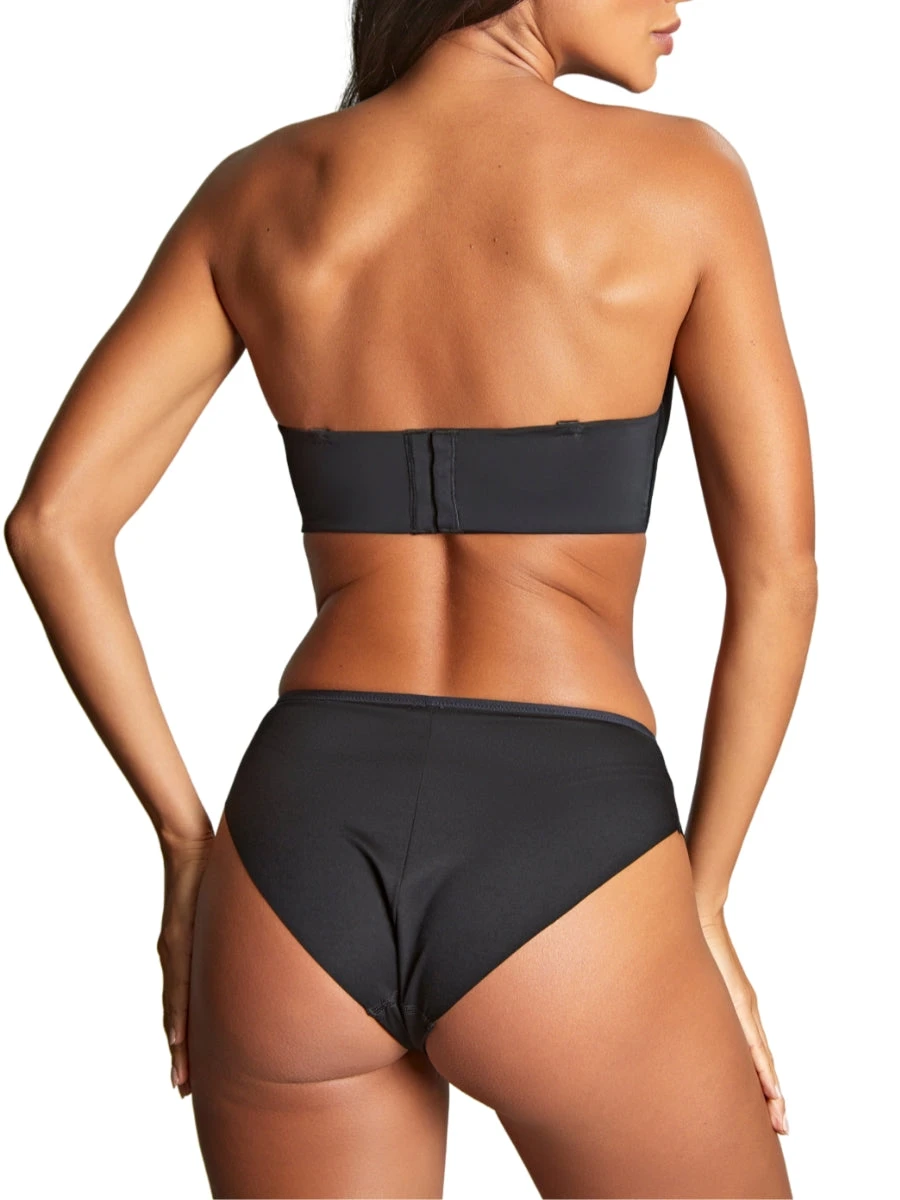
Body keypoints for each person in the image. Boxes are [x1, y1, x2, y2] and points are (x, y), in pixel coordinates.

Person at [5, 0, 816, 1195]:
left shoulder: (261, 190)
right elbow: (778, 575)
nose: (675, 4)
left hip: (295, 855)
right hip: (569, 834)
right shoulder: (685, 180)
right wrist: (701, 901)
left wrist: (188, 846)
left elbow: (52, 523)